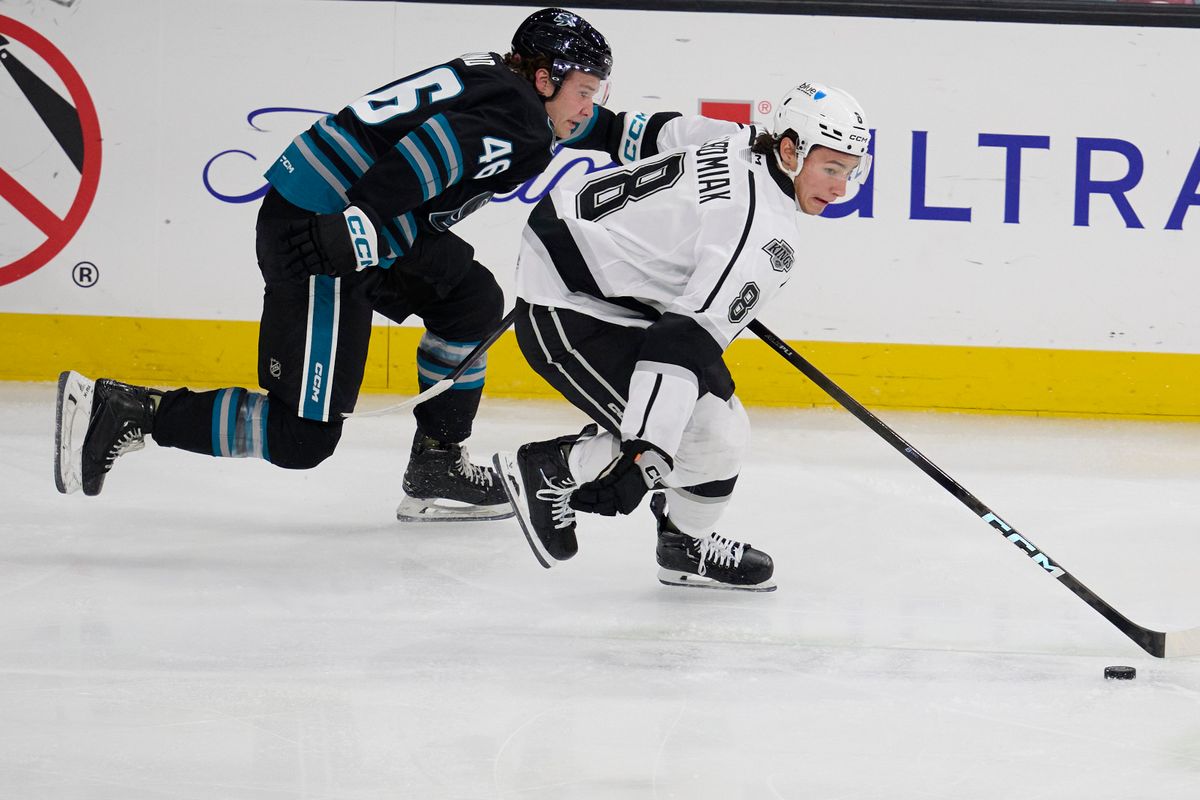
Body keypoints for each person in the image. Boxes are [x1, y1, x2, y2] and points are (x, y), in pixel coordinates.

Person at [52, 8, 640, 522]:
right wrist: (359, 220)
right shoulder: (519, 119)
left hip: (347, 213)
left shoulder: (496, 76)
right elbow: (427, 151)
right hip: (323, 232)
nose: (590, 107)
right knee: (301, 437)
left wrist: (708, 146)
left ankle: (437, 465)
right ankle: (128, 409)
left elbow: (597, 131)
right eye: (584, 91)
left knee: (470, 303)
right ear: (544, 78)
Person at [492, 80, 873, 590]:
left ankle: (682, 544)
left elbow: (651, 133)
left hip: (600, 273)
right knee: (696, 442)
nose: (840, 188)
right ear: (789, 149)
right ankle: (552, 466)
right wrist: (644, 455)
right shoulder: (762, 232)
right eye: (830, 169)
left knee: (722, 430)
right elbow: (680, 344)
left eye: (849, 172)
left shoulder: (741, 136)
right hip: (569, 304)